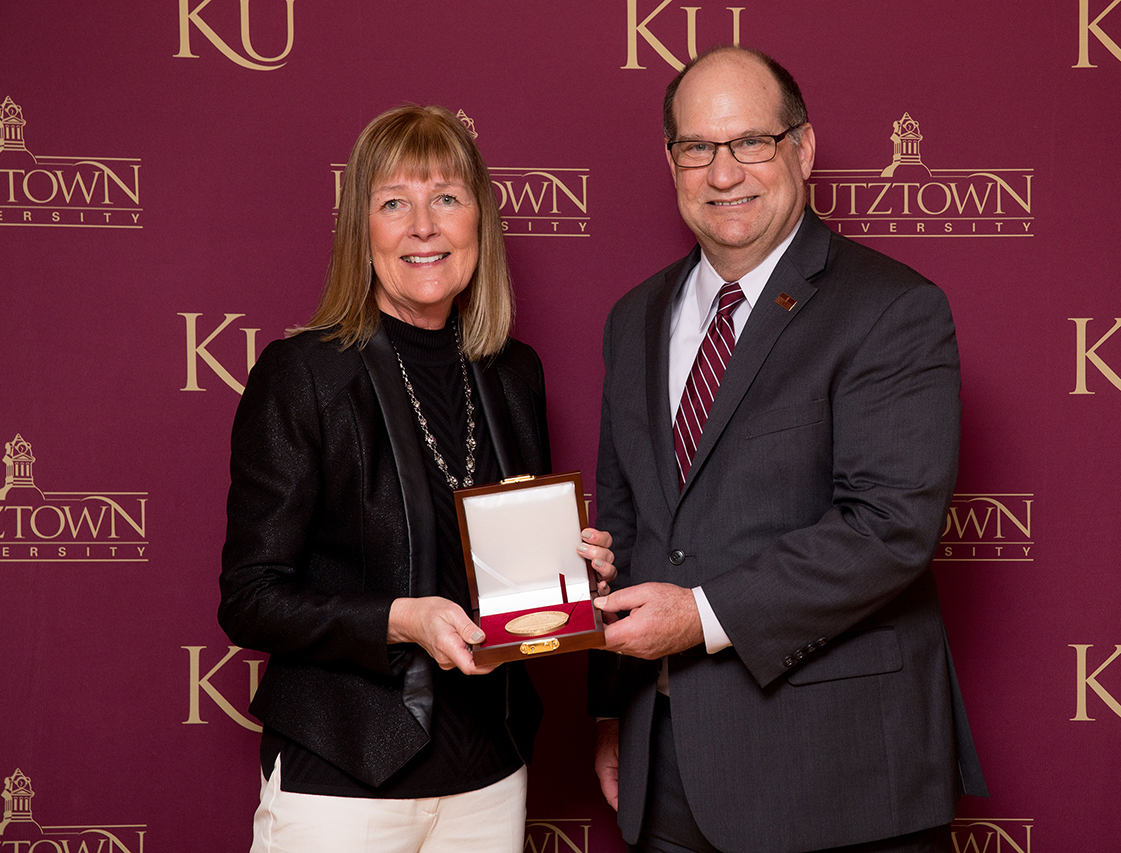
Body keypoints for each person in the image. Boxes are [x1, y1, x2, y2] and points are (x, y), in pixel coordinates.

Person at [589, 47, 988, 853]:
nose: (724, 172)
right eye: (698, 147)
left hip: (836, 779)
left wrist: (697, 616)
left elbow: (888, 529)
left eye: (751, 143)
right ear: (672, 162)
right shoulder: (633, 319)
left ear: (801, 149)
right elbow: (627, 530)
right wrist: (610, 708)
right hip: (668, 769)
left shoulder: (891, 308)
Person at [218, 104, 615, 853]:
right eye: (394, 202)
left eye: (447, 198)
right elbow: (250, 599)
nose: (423, 226)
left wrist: (572, 579)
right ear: (361, 229)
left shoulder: (511, 372)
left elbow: (511, 576)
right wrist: (401, 620)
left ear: (480, 222)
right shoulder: (303, 374)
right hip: (341, 780)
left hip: (489, 775)